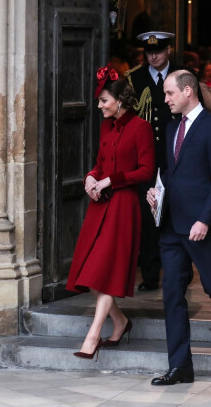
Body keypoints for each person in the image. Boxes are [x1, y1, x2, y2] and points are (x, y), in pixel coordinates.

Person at [147, 70, 211, 386]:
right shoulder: (170, 126)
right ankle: (180, 366)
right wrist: (155, 192)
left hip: (201, 224)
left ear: (188, 91)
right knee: (172, 294)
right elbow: (169, 173)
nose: (165, 100)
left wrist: (204, 219)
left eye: (169, 93)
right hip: (171, 226)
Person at [66, 65, 155, 360]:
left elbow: (146, 171)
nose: (100, 106)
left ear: (119, 100)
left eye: (104, 101)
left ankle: (93, 336)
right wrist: (91, 177)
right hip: (100, 205)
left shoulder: (140, 127)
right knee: (89, 271)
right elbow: (100, 163)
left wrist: (110, 180)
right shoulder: (106, 126)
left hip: (124, 207)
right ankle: (120, 321)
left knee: (105, 272)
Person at [125, 31, 200, 292]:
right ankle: (149, 274)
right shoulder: (134, 78)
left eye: (158, 50)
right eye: (148, 51)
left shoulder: (183, 76)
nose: (153, 55)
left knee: (178, 211)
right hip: (145, 157)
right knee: (148, 217)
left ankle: (183, 270)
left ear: (169, 50)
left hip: (176, 153)